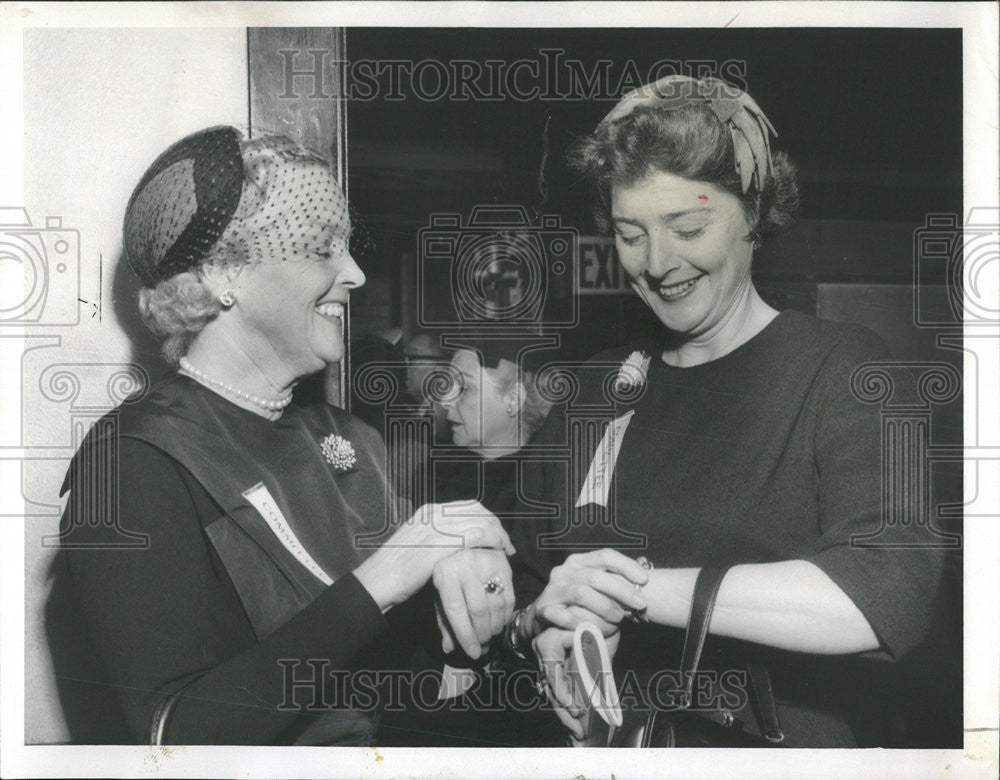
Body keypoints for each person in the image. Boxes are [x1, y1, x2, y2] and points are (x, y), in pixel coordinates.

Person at [506, 76, 945, 747]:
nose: (656, 264)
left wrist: (634, 592)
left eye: (688, 227)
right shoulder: (597, 391)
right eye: (629, 233)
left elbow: (885, 595)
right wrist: (540, 624)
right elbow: (526, 580)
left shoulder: (846, 370)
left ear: (755, 214)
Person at [57, 126, 517, 745]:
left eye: (348, 247)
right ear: (226, 272)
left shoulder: (353, 439)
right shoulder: (132, 461)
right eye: (323, 248)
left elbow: (409, 686)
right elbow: (170, 736)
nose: (354, 273)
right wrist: (382, 581)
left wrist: (496, 622)